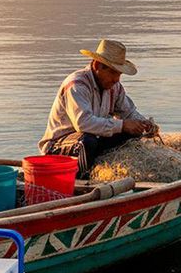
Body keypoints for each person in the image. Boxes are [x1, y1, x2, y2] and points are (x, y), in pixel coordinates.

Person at [39, 39, 155, 177]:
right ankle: (83, 181)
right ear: (97, 65)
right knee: (85, 141)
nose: (116, 79)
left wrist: (143, 124)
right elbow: (84, 123)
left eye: (119, 74)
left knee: (132, 132)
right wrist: (122, 125)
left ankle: (101, 169)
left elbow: (129, 112)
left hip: (94, 139)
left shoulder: (114, 88)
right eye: (113, 73)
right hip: (59, 146)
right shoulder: (77, 85)